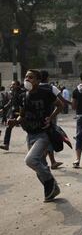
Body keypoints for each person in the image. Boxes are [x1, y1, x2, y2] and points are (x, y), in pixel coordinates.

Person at [7, 69, 63, 202]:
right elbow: (22, 114)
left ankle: (50, 183)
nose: (27, 80)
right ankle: (51, 189)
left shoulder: (46, 93)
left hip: (43, 134)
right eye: (26, 77)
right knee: (40, 167)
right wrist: (15, 121)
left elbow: (60, 105)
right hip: (30, 134)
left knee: (30, 160)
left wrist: (51, 117)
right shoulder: (23, 96)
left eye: (31, 78)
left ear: (38, 80)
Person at [39, 70, 65, 169]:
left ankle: (52, 162)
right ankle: (40, 161)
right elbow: (61, 101)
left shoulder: (34, 88)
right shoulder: (51, 88)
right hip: (49, 118)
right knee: (49, 139)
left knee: (44, 139)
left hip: (37, 120)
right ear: (48, 77)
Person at [0, 81, 24, 151]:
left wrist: (21, 114)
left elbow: (24, 104)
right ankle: (6, 145)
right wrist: (3, 108)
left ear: (18, 86)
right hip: (14, 113)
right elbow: (10, 102)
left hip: (21, 114)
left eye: (13, 84)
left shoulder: (22, 93)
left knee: (27, 127)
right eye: (11, 84)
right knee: (8, 127)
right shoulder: (13, 92)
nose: (12, 86)